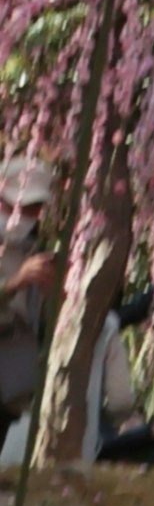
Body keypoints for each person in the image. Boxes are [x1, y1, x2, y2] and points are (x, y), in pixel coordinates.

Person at [0, 156, 57, 463]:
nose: (26, 217)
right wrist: (13, 285)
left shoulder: (29, 250)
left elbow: (38, 325)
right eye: (19, 207)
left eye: (34, 210)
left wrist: (50, 295)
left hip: (10, 389)